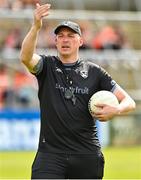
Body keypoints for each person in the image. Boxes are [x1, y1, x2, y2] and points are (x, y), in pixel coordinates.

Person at [20, 3, 136, 179]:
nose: (65, 39)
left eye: (70, 36)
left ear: (80, 41)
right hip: (50, 155)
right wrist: (36, 26)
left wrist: (117, 109)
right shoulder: (46, 66)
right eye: (60, 36)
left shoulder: (95, 72)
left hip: (86, 154)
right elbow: (26, 57)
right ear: (56, 41)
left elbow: (129, 101)